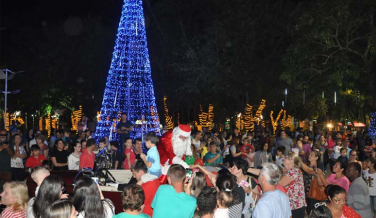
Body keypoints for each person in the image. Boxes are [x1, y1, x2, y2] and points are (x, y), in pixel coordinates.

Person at [278, 152, 306, 218]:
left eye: (286, 157)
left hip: (295, 207)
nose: (283, 158)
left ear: (291, 161)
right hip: (293, 206)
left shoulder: (294, 171)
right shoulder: (289, 171)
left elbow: (280, 183)